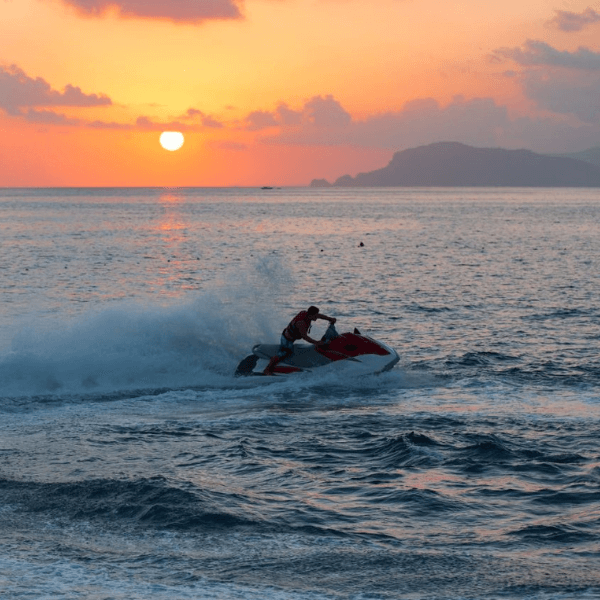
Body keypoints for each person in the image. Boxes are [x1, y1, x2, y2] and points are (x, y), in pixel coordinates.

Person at [263, 306, 336, 375]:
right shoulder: (301, 323)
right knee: (284, 353)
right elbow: (305, 337)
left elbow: (319, 315)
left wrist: (330, 319)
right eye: (315, 316)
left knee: (289, 351)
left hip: (293, 336)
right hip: (287, 339)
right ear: (311, 315)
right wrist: (316, 342)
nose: (316, 317)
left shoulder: (307, 314)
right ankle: (268, 369)